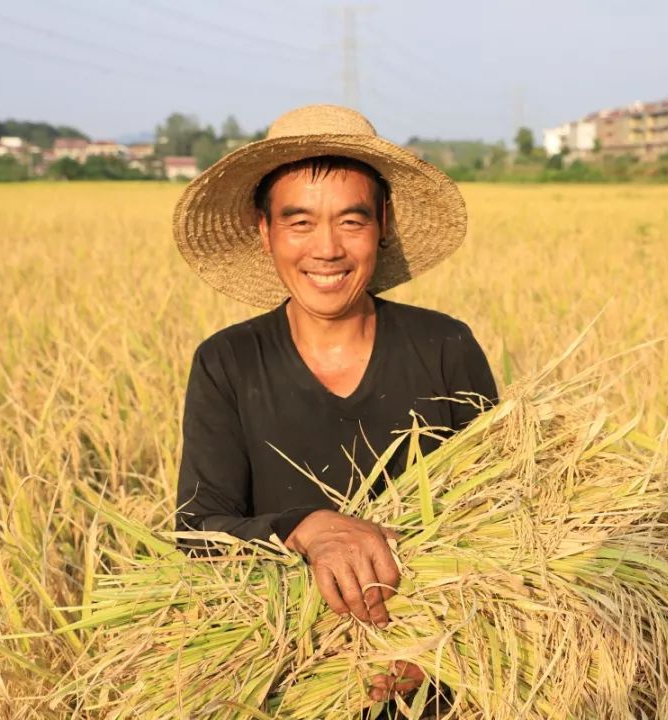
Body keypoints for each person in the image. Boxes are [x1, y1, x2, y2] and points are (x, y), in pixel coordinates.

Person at [172, 104, 497, 713]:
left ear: (382, 227)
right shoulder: (228, 362)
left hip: (442, 674)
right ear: (264, 232)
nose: (327, 249)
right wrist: (307, 526)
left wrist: (424, 645)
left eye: (351, 221)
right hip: (287, 675)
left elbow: (500, 514)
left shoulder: (445, 346)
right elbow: (199, 529)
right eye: (299, 223)